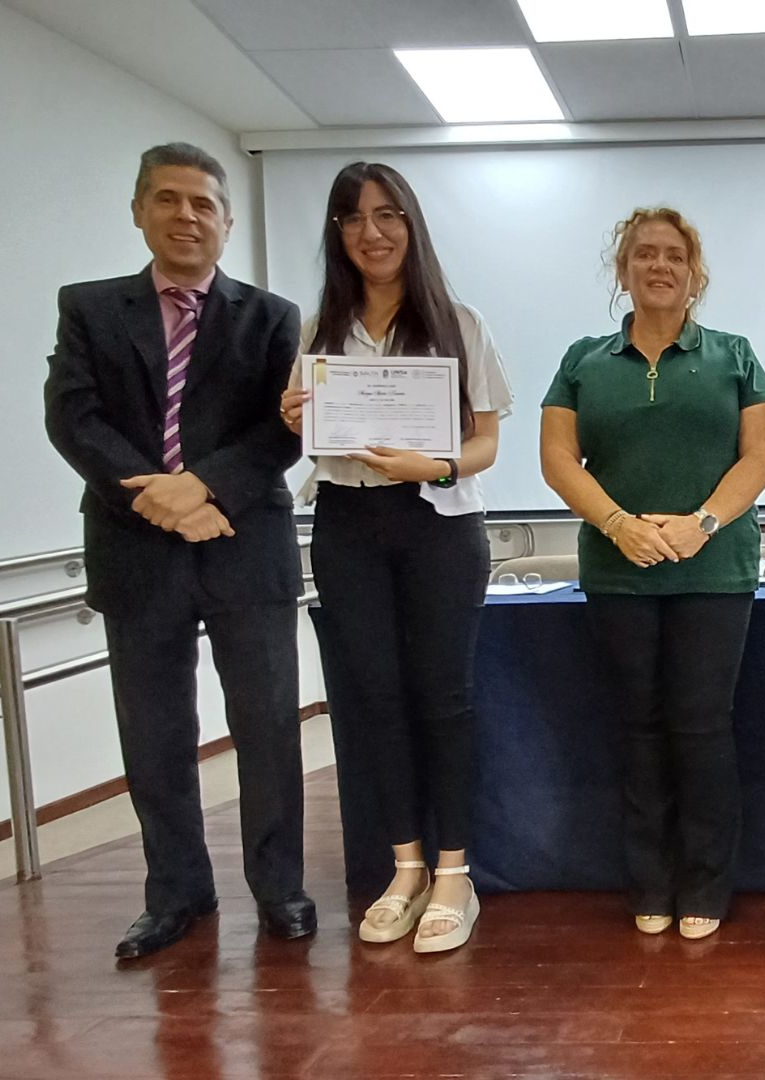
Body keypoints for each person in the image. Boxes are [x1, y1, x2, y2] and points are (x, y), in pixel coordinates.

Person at [44, 142, 314, 959]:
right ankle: (176, 894)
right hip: (135, 546)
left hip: (244, 542)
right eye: (168, 199)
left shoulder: (272, 316)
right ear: (139, 211)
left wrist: (200, 488)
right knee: (155, 733)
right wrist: (159, 501)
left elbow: (283, 430)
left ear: (226, 222)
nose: (186, 216)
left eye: (203, 204)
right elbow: (74, 418)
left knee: (268, 725)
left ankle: (280, 887)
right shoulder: (90, 308)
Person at [278, 162, 512, 954]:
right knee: (374, 699)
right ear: (337, 233)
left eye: (387, 215)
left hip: (437, 521)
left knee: (443, 698)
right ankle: (405, 867)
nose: (370, 232)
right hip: (346, 523)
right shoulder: (320, 328)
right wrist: (293, 417)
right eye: (352, 218)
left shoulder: (458, 321)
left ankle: (454, 872)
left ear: (411, 225)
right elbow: (306, 436)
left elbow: (486, 442)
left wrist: (434, 466)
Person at [539, 207, 765, 941]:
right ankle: (649, 882)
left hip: (715, 573)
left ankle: (705, 884)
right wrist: (618, 524)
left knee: (702, 727)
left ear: (694, 273)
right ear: (623, 270)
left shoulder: (736, 355)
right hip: (619, 575)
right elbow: (558, 459)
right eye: (644, 253)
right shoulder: (583, 360)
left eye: (675, 255)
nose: (660, 265)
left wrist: (700, 523)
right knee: (639, 729)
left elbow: (761, 456)